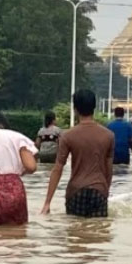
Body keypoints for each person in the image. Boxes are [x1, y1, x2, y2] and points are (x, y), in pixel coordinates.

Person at [40, 90, 114, 218]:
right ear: (94, 107)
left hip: (76, 191)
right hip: (99, 190)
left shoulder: (67, 136)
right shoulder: (108, 135)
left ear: (75, 109)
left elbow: (58, 168)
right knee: (99, 234)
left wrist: (47, 203)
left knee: (75, 233)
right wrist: (105, 191)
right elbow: (109, 168)